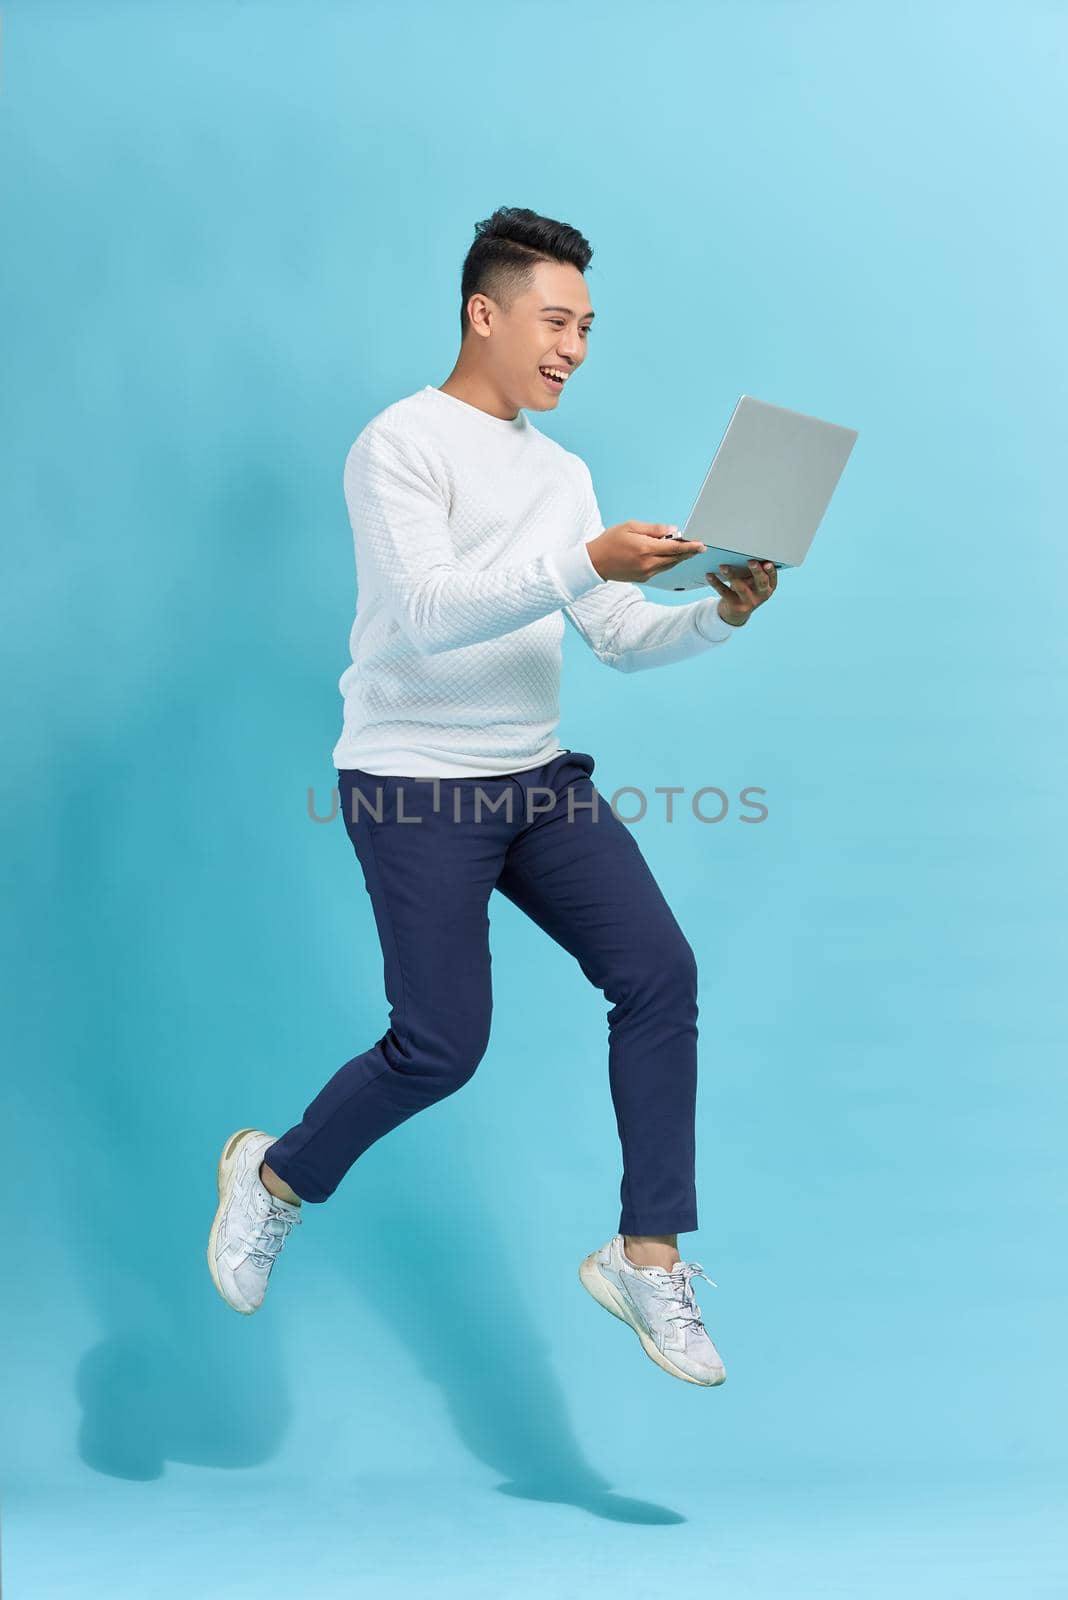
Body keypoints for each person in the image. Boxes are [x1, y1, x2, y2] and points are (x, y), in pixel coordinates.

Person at [207, 206, 777, 1385]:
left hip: (532, 778)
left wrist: (717, 612)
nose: (572, 347)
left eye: (586, 328)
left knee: (660, 975)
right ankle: (274, 1174)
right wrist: (585, 560)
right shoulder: (397, 445)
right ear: (486, 312)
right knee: (440, 1044)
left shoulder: (561, 471)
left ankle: (645, 1252)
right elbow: (426, 613)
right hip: (413, 783)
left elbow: (612, 637)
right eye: (555, 321)